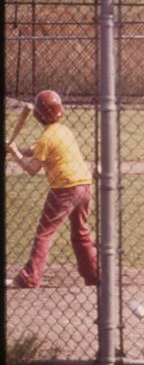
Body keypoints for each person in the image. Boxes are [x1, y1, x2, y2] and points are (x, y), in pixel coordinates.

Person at [5, 90, 100, 289]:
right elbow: (33, 150)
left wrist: (14, 153)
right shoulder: (63, 131)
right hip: (84, 185)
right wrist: (12, 148)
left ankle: (29, 277)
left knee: (44, 233)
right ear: (60, 112)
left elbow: (32, 168)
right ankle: (96, 275)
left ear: (38, 115)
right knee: (81, 233)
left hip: (65, 188)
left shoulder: (46, 138)